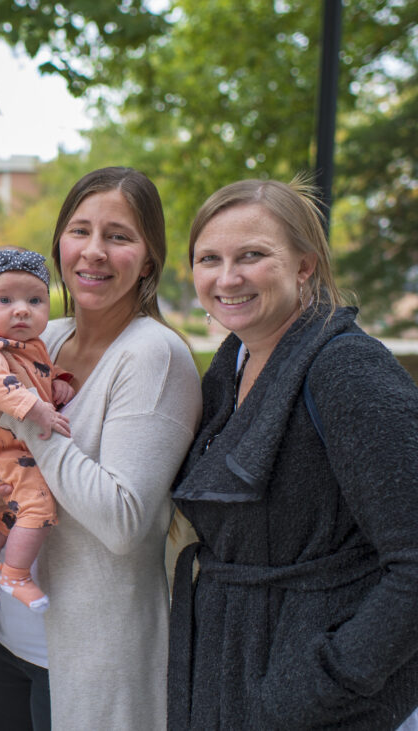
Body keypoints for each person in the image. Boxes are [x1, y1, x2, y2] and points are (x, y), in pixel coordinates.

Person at [168, 178, 418, 730]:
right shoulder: (231, 365)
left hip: (322, 699)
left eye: (252, 256)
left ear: (304, 266)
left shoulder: (348, 371)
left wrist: (325, 681)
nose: (227, 277)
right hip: (231, 670)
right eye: (209, 258)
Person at [0, 166, 202, 730]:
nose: (93, 251)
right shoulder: (47, 336)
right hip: (11, 640)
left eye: (118, 236)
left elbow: (122, 523)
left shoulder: (153, 357)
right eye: (80, 231)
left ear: (148, 257)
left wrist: (21, 418)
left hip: (92, 656)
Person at [0, 248, 75, 615]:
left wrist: (58, 384)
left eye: (35, 300)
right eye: (4, 299)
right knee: (37, 504)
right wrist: (37, 408)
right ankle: (14, 574)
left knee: (6, 517)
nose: (21, 309)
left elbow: (36, 374)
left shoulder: (30, 345)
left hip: (3, 448)